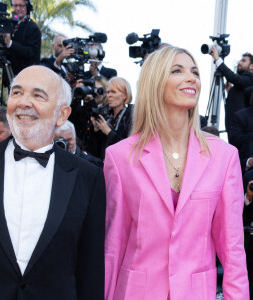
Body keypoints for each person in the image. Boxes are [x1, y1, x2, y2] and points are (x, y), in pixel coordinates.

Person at [104, 46, 249, 300]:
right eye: (177, 70)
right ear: (155, 82)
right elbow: (113, 246)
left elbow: (233, 249)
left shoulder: (224, 157)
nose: (192, 77)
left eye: (194, 71)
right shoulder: (120, 157)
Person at [0, 65, 105, 299]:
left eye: (38, 95)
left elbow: (90, 269)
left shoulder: (88, 177)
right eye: (16, 92)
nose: (23, 102)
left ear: (62, 114)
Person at [211, 46, 253, 134]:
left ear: (251, 66)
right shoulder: (244, 83)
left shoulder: (250, 78)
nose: (239, 63)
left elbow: (235, 78)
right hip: (235, 131)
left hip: (242, 132)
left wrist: (217, 60)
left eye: (243, 61)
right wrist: (229, 91)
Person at [90, 76, 133, 159]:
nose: (109, 95)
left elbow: (129, 148)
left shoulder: (131, 115)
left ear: (125, 95)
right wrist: (95, 130)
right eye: (108, 92)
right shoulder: (106, 115)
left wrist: (109, 132)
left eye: (113, 92)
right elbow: (94, 152)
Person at [4, 0, 41, 75]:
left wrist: (10, 43)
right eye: (15, 5)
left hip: (26, 76)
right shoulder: (8, 24)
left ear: (27, 6)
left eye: (21, 6)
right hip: (8, 74)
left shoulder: (33, 27)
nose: (18, 8)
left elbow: (31, 53)